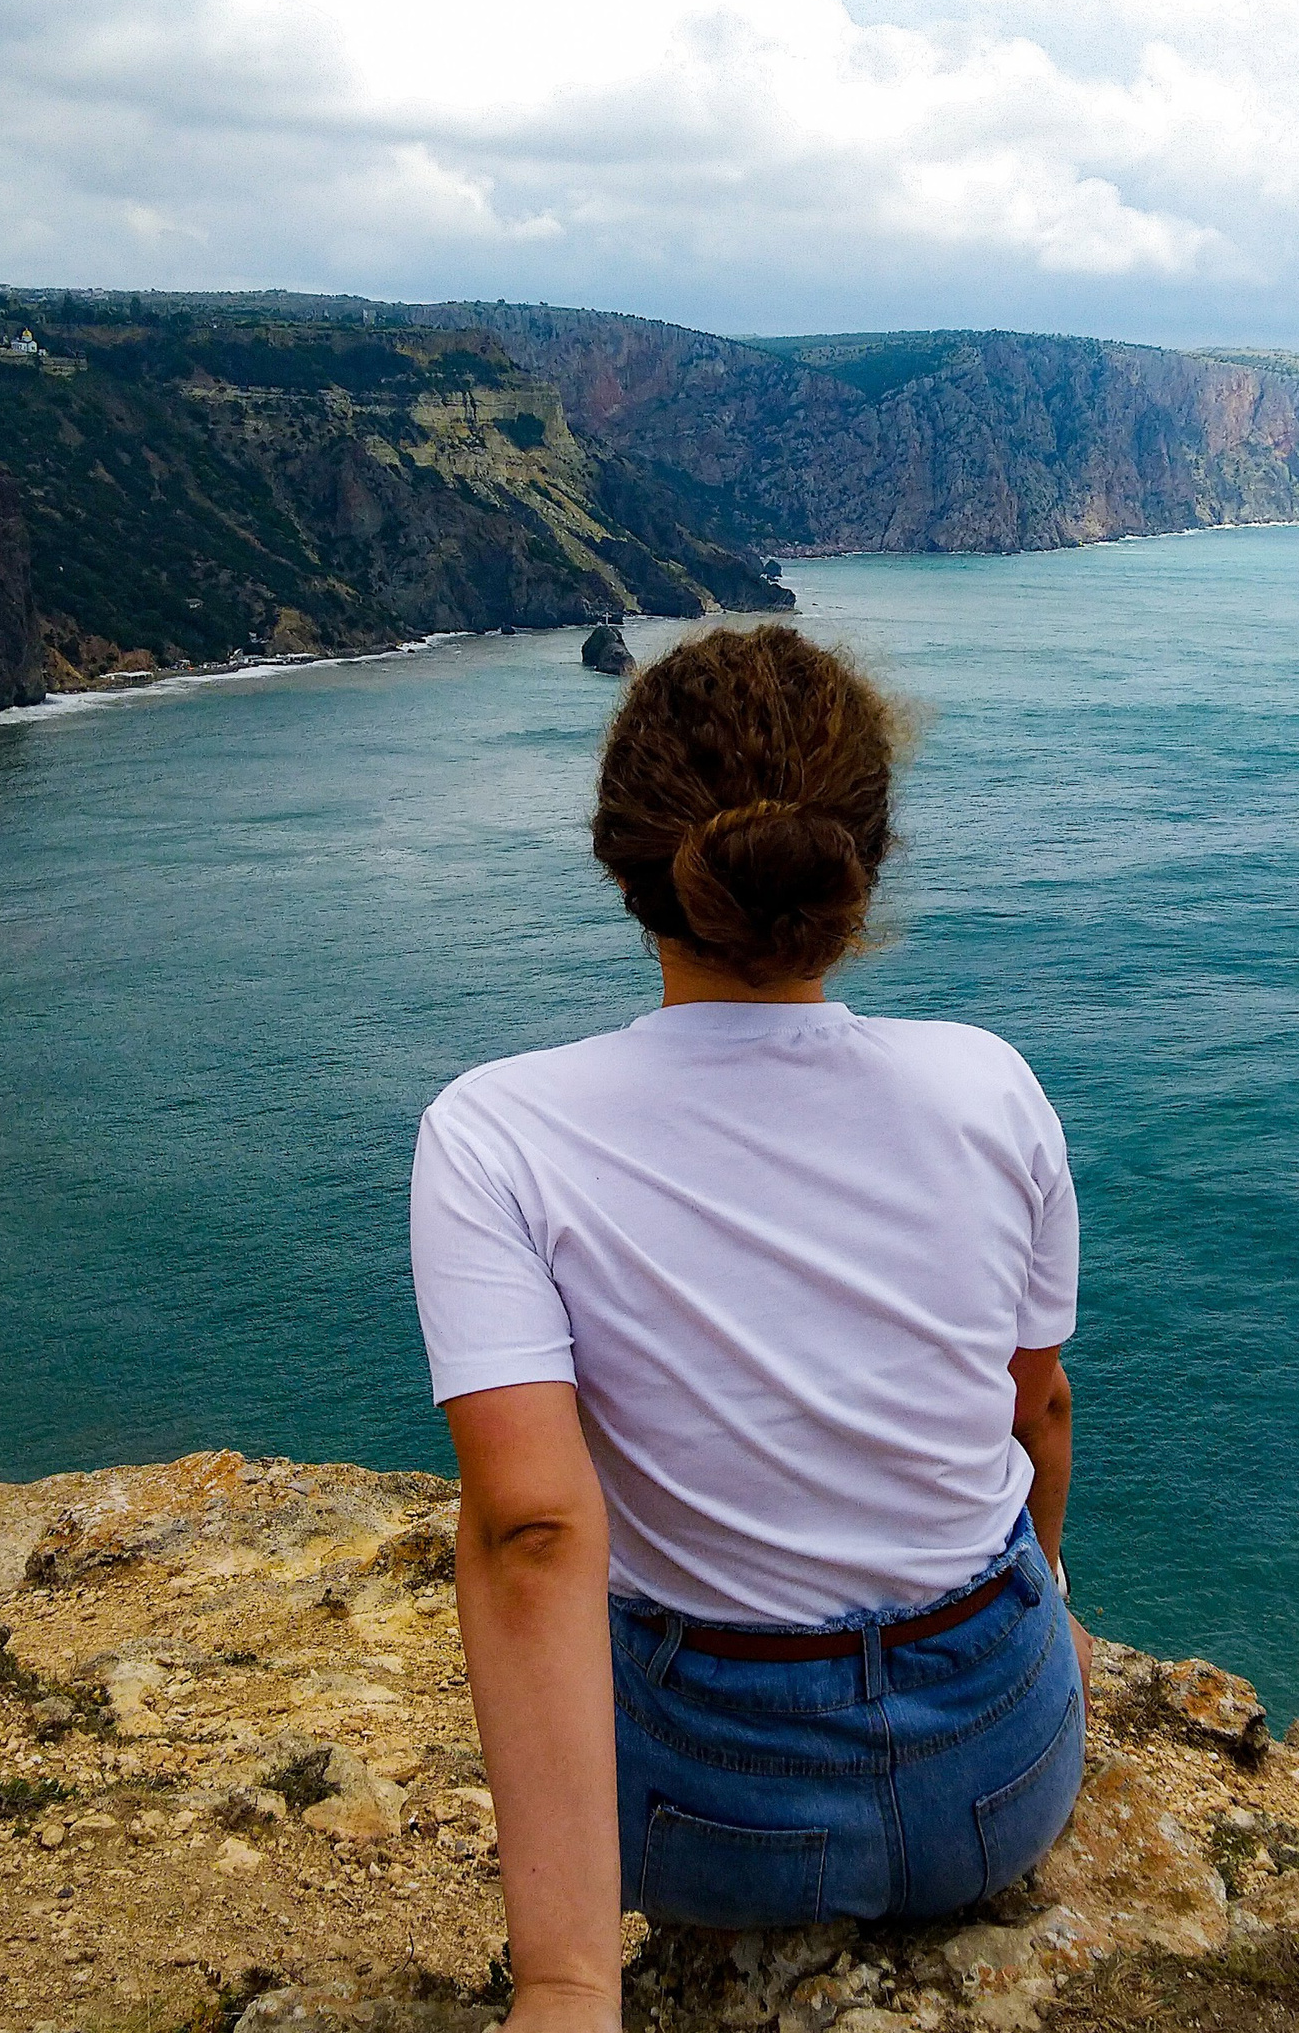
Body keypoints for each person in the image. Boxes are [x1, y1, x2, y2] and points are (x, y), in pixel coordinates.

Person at [410, 624, 1088, 2033]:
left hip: (708, 1821)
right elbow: (1041, 1414)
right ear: (863, 862)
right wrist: (1039, 1622)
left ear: (626, 864)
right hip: (1004, 1780)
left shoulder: (496, 1133)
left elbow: (532, 1530)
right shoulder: (991, 1085)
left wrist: (564, 1983)